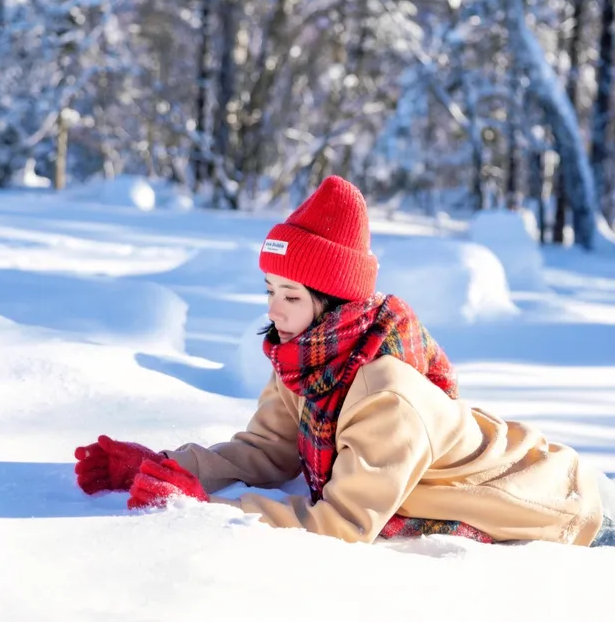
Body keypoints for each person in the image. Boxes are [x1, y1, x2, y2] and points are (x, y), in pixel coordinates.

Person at [74, 175, 615, 547]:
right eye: (269, 290)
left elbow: (343, 523)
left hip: (570, 507)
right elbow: (266, 451)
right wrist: (167, 466)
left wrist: (198, 508)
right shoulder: (308, 361)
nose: (273, 310)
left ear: (332, 301)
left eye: (290, 295)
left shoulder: (384, 391)